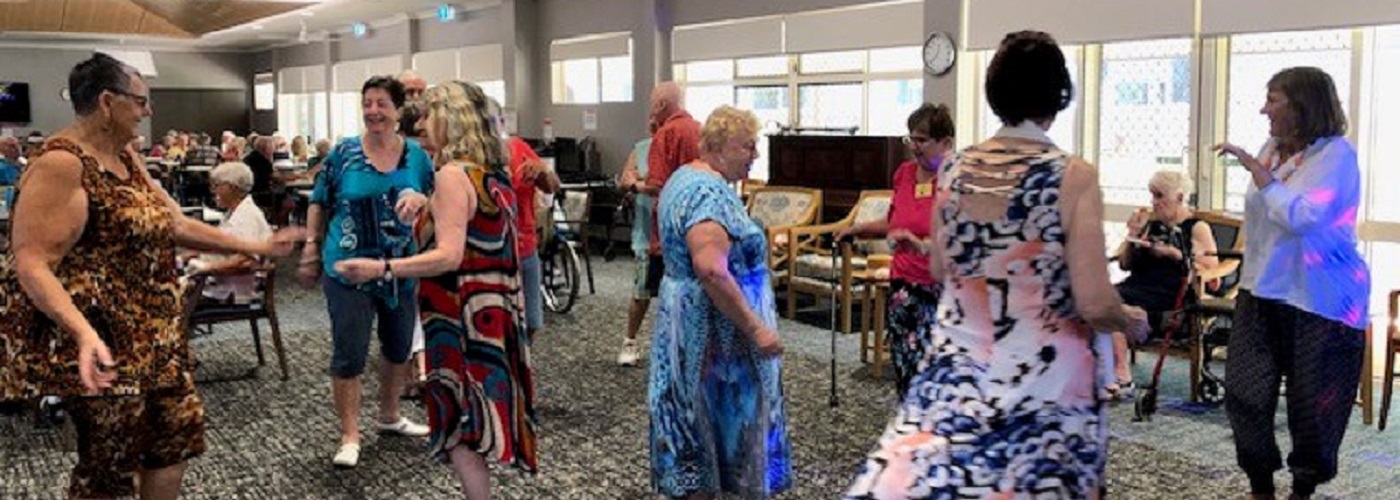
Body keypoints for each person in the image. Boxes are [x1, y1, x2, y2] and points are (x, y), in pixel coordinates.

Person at [844, 31, 1148, 499]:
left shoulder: (956, 168)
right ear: (1058, 95)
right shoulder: (1072, 176)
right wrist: (1129, 320)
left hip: (962, 370)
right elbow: (1092, 301)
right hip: (1042, 380)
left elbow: (946, 272)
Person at [0, 52, 301, 500]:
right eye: (141, 101)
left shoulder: (125, 158)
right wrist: (82, 333)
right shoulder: (61, 164)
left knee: (172, 444)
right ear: (107, 101)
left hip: (157, 335)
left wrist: (255, 245)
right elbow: (30, 262)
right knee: (109, 470)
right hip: (105, 341)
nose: (148, 111)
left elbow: (173, 223)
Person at [334, 80, 537, 499]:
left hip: (459, 320)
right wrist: (424, 204)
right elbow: (478, 233)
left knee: (462, 429)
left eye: (427, 115)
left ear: (449, 119)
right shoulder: (491, 173)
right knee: (478, 423)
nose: (420, 123)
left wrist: (382, 267)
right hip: (495, 316)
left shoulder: (449, 175)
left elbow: (448, 255)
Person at [1215, 66, 1369, 500]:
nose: (1264, 109)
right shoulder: (1272, 148)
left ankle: (1303, 489)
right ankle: (1260, 484)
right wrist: (1262, 170)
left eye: (1274, 99)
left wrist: (1259, 174)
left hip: (1319, 299)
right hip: (1261, 290)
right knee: (1244, 394)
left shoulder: (1336, 156)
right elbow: (1263, 216)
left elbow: (1304, 217)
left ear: (1303, 106)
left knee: (1313, 407)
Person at [649, 105, 791, 499]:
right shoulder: (706, 193)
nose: (755, 155)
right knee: (718, 434)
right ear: (722, 145)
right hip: (717, 341)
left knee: (694, 429)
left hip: (688, 325)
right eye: (748, 146)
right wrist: (756, 327)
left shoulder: (685, 177)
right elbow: (711, 269)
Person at [298, 76, 435, 469]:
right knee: (350, 352)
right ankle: (350, 434)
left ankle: (389, 416)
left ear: (396, 111)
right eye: (367, 103)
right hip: (348, 269)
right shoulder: (343, 153)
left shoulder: (416, 156)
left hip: (399, 268)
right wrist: (310, 246)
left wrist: (422, 198)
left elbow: (436, 198)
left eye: (381, 104)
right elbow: (319, 201)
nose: (373, 111)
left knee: (397, 347)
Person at [833, 103, 954, 395]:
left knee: (935, 374)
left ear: (945, 143)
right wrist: (856, 228)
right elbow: (894, 220)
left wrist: (922, 244)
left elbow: (961, 238)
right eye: (911, 138)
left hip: (941, 290)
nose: (914, 146)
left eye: (922, 140)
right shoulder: (904, 174)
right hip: (903, 285)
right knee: (905, 366)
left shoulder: (956, 181)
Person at [1104, 170, 1219, 399]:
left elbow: (1213, 275)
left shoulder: (1196, 228)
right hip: (1136, 286)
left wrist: (1175, 254)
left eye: (1159, 196)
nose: (1154, 203)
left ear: (1179, 197)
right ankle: (1116, 367)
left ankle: (1121, 374)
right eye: (1152, 196)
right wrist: (1132, 235)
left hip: (1169, 292)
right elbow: (1125, 264)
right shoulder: (1151, 225)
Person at [497, 98, 559, 342]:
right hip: (495, 252)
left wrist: (542, 171)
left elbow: (553, 186)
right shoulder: (473, 159)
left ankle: (521, 369)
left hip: (525, 248)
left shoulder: (517, 147)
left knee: (531, 321)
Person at [641, 81, 701, 300]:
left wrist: (636, 185)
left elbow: (656, 184)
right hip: (700, 227)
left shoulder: (665, 134)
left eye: (652, 104)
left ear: (661, 104)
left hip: (671, 233)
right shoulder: (700, 129)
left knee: (669, 300)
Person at [184, 162, 274, 305]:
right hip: (219, 285)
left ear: (231, 187)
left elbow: (246, 262)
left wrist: (205, 268)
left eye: (217, 185)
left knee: (160, 300)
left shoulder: (246, 217)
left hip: (229, 292)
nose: (213, 191)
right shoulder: (236, 212)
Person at [615, 120, 657, 366]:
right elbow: (625, 180)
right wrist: (644, 183)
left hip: (675, 233)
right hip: (646, 232)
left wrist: (642, 181)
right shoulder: (641, 149)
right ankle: (629, 342)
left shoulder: (681, 147)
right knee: (641, 292)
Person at [0, 136, 20, 206]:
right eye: (12, 146)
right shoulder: (2, 166)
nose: (17, 149)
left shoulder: (23, 163)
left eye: (18, 145)